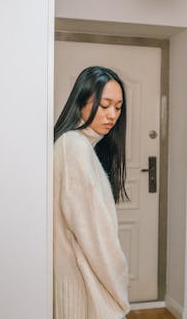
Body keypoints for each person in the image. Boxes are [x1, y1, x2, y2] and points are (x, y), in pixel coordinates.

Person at [53, 66, 130, 319]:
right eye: (104, 105)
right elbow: (94, 235)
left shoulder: (77, 145)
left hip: (81, 283)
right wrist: (119, 288)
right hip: (85, 287)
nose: (112, 115)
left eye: (118, 107)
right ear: (81, 101)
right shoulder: (74, 146)